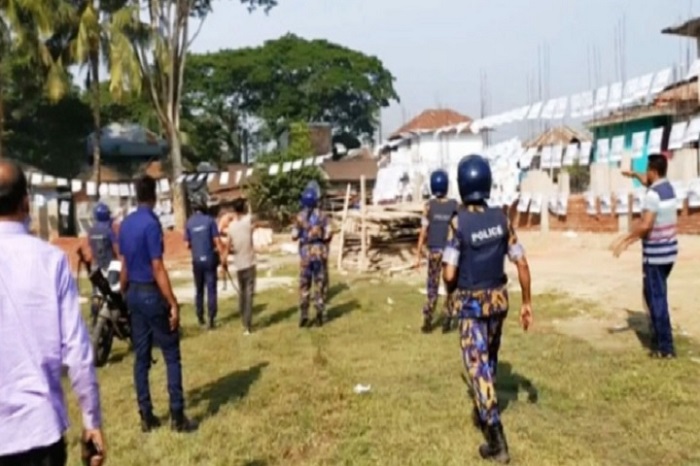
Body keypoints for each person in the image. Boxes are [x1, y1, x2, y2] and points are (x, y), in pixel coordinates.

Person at [0, 160, 106, 466]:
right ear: (26, 203)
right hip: (40, 430)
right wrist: (91, 421)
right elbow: (77, 351)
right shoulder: (51, 261)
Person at [442, 154, 533, 464]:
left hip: (471, 305)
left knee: (477, 366)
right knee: (489, 358)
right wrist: (527, 302)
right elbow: (521, 262)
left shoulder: (458, 223)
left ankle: (496, 440)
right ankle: (484, 409)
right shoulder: (502, 219)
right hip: (498, 302)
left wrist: (449, 291)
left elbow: (449, 274)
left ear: (462, 184)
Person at [119, 174, 197, 433]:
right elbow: (157, 266)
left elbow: (124, 266)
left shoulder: (126, 224)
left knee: (141, 357)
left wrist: (123, 292)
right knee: (171, 354)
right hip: (151, 292)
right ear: (153, 195)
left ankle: (146, 415)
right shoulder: (152, 224)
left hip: (133, 293)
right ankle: (177, 415)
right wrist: (172, 301)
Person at [613, 154, 677, 359]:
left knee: (656, 298)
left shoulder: (653, 195)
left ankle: (665, 347)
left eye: (647, 169)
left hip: (656, 255)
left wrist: (625, 240)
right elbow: (645, 180)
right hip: (669, 253)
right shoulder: (668, 188)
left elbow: (646, 225)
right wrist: (633, 174)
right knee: (652, 295)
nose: (645, 173)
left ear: (654, 171)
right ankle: (660, 337)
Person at [415, 168, 458, 334]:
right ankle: (448, 317)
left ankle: (428, 318)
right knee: (450, 286)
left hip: (433, 251)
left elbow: (423, 231)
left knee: (432, 286)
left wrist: (418, 253)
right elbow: (457, 229)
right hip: (449, 253)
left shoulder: (428, 206)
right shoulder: (454, 206)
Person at [291, 187, 331, 328]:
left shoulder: (300, 217)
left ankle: (304, 314)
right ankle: (319, 312)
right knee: (319, 283)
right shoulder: (323, 216)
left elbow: (294, 236)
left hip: (305, 254)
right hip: (319, 253)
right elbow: (328, 235)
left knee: (304, 284)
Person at [184, 194, 225, 329]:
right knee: (211, 288)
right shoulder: (210, 220)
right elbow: (217, 241)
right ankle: (211, 318)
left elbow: (186, 244)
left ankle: (200, 316)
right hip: (209, 259)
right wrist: (222, 257)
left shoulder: (189, 223)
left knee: (199, 289)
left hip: (196, 261)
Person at [226, 197, 258, 335]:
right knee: (249, 294)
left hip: (239, 264)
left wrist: (224, 260)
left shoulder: (231, 226)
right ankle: (247, 324)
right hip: (249, 262)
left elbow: (228, 246)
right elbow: (253, 217)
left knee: (242, 292)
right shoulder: (248, 221)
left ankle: (243, 318)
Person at [87, 202, 119, 318]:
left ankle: (94, 312)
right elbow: (117, 249)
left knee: (96, 291)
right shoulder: (109, 230)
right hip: (109, 266)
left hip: (96, 266)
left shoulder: (91, 231)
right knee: (114, 290)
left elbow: (91, 250)